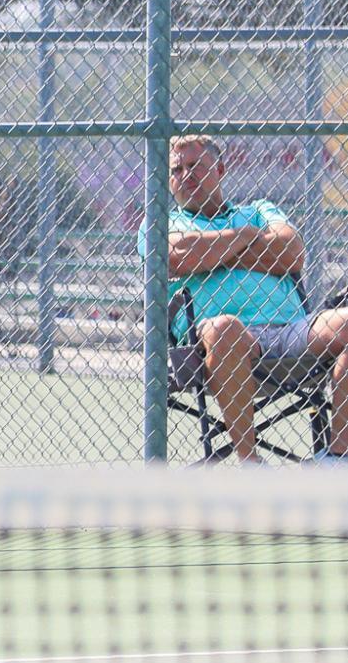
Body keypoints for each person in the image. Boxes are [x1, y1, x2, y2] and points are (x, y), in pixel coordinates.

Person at [142, 134, 348, 462]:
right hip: (215, 343)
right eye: (177, 170)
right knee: (225, 328)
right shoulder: (161, 222)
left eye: (196, 166)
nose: (185, 176)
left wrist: (210, 252)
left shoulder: (259, 209)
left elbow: (292, 252)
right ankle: (251, 464)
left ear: (220, 169)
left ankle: (336, 458)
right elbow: (177, 257)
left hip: (291, 330)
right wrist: (248, 237)